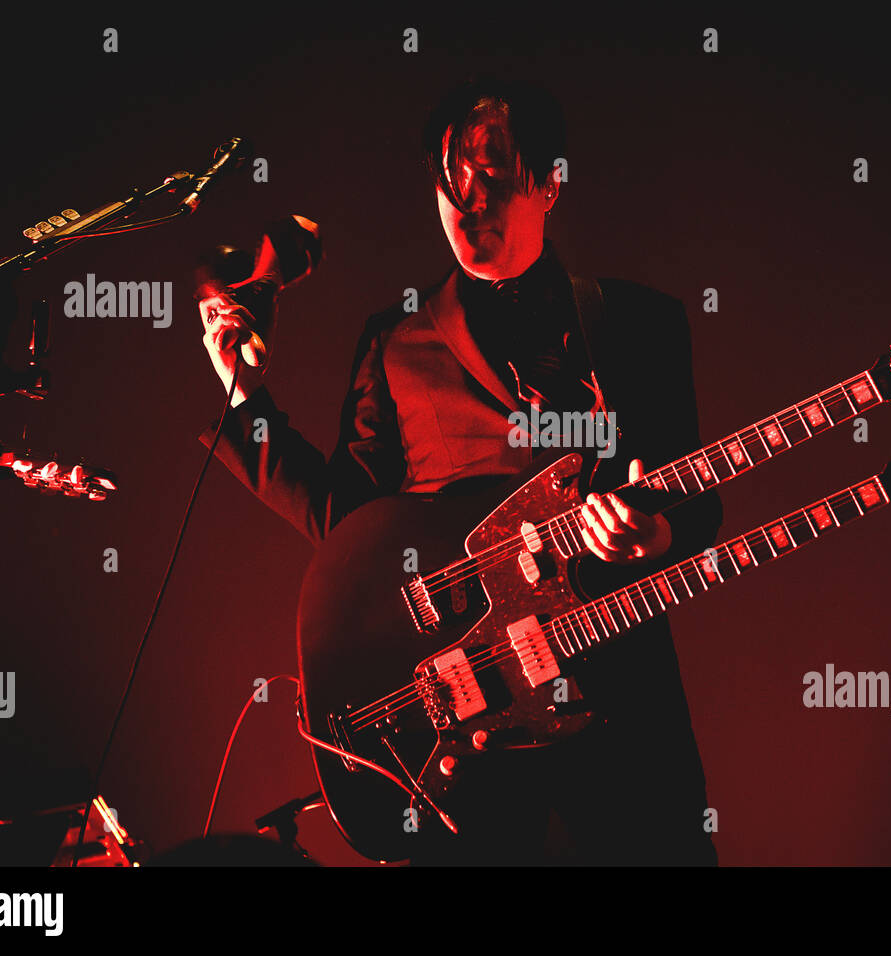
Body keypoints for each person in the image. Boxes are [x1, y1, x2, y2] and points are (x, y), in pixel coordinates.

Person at [198, 76, 722, 865]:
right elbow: (352, 529)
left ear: (549, 184)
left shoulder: (641, 321)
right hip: (473, 733)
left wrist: (657, 530)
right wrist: (244, 394)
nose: (465, 198)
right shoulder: (394, 343)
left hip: (621, 706)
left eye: (491, 174)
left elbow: (695, 496)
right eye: (448, 177)